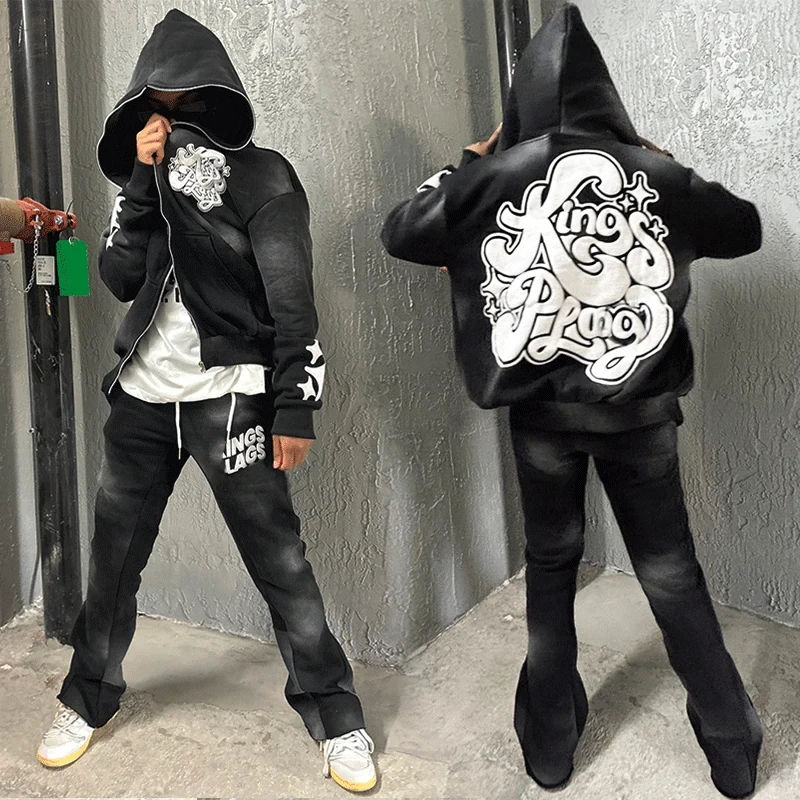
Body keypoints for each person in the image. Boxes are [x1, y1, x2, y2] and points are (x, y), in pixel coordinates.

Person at [381, 5, 762, 798]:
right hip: (640, 417)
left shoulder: (489, 179)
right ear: (605, 92)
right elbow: (744, 229)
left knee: (551, 566)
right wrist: (661, 166)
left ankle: (550, 753)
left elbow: (403, 232)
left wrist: (469, 159)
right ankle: (731, 751)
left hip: (541, 421)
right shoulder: (650, 174)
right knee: (671, 573)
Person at [36, 10, 376, 793]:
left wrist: (295, 406)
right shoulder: (141, 184)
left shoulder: (264, 177)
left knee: (280, 562)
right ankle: (85, 700)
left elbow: (292, 299)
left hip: (232, 404)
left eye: (189, 103)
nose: (173, 122)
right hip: (142, 403)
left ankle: (336, 716)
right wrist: (139, 185)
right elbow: (119, 279)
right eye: (157, 107)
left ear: (220, 100)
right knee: (113, 561)